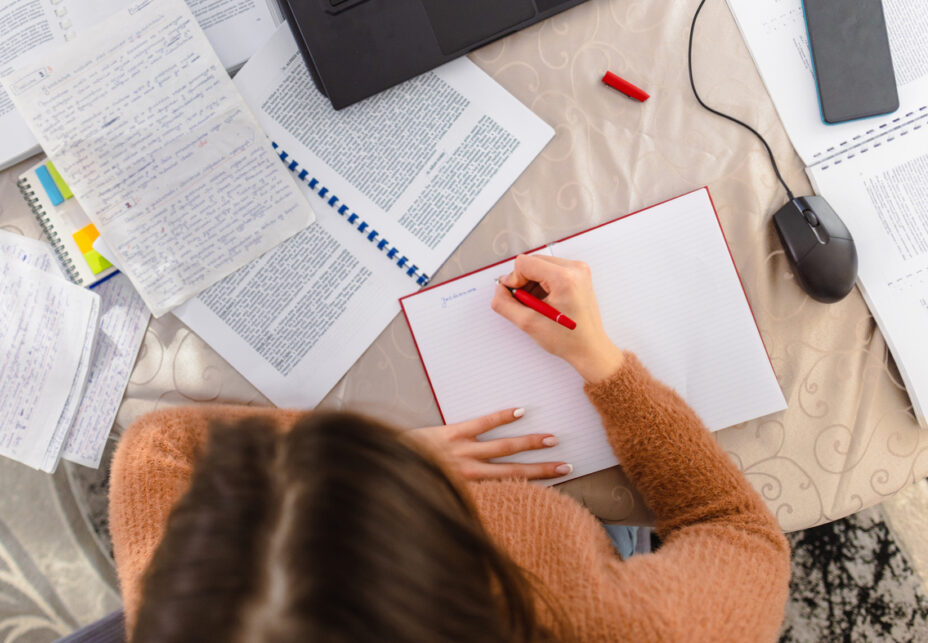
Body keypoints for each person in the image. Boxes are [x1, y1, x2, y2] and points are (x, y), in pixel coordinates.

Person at [108, 254, 791, 642]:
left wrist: (401, 458)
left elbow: (156, 447)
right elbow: (737, 532)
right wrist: (606, 367)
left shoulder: (205, 611)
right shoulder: (617, 625)